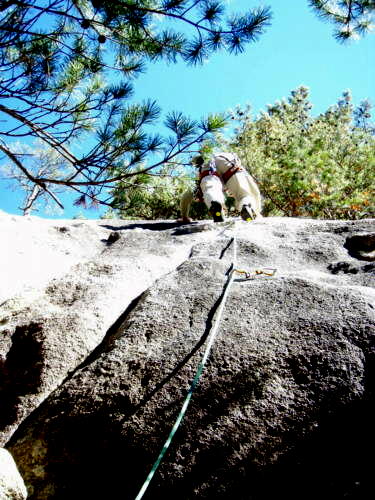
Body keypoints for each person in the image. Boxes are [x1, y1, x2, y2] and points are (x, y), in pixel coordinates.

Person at [180, 152, 262, 223]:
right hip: (227, 161)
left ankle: (216, 206)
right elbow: (255, 192)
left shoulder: (198, 178)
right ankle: (247, 206)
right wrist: (258, 212)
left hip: (207, 166)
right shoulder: (218, 154)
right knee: (244, 195)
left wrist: (184, 217)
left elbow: (186, 196)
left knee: (211, 189)